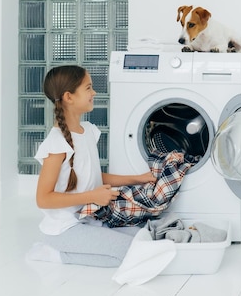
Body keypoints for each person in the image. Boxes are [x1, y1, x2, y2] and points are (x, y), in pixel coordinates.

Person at [26, 65, 156, 267]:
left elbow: (93, 175)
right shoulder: (56, 144)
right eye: (88, 88)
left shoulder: (86, 131)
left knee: (143, 235)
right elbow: (43, 199)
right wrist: (92, 197)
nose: (94, 92)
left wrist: (138, 178)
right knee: (132, 252)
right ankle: (53, 253)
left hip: (87, 219)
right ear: (69, 97)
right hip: (64, 230)